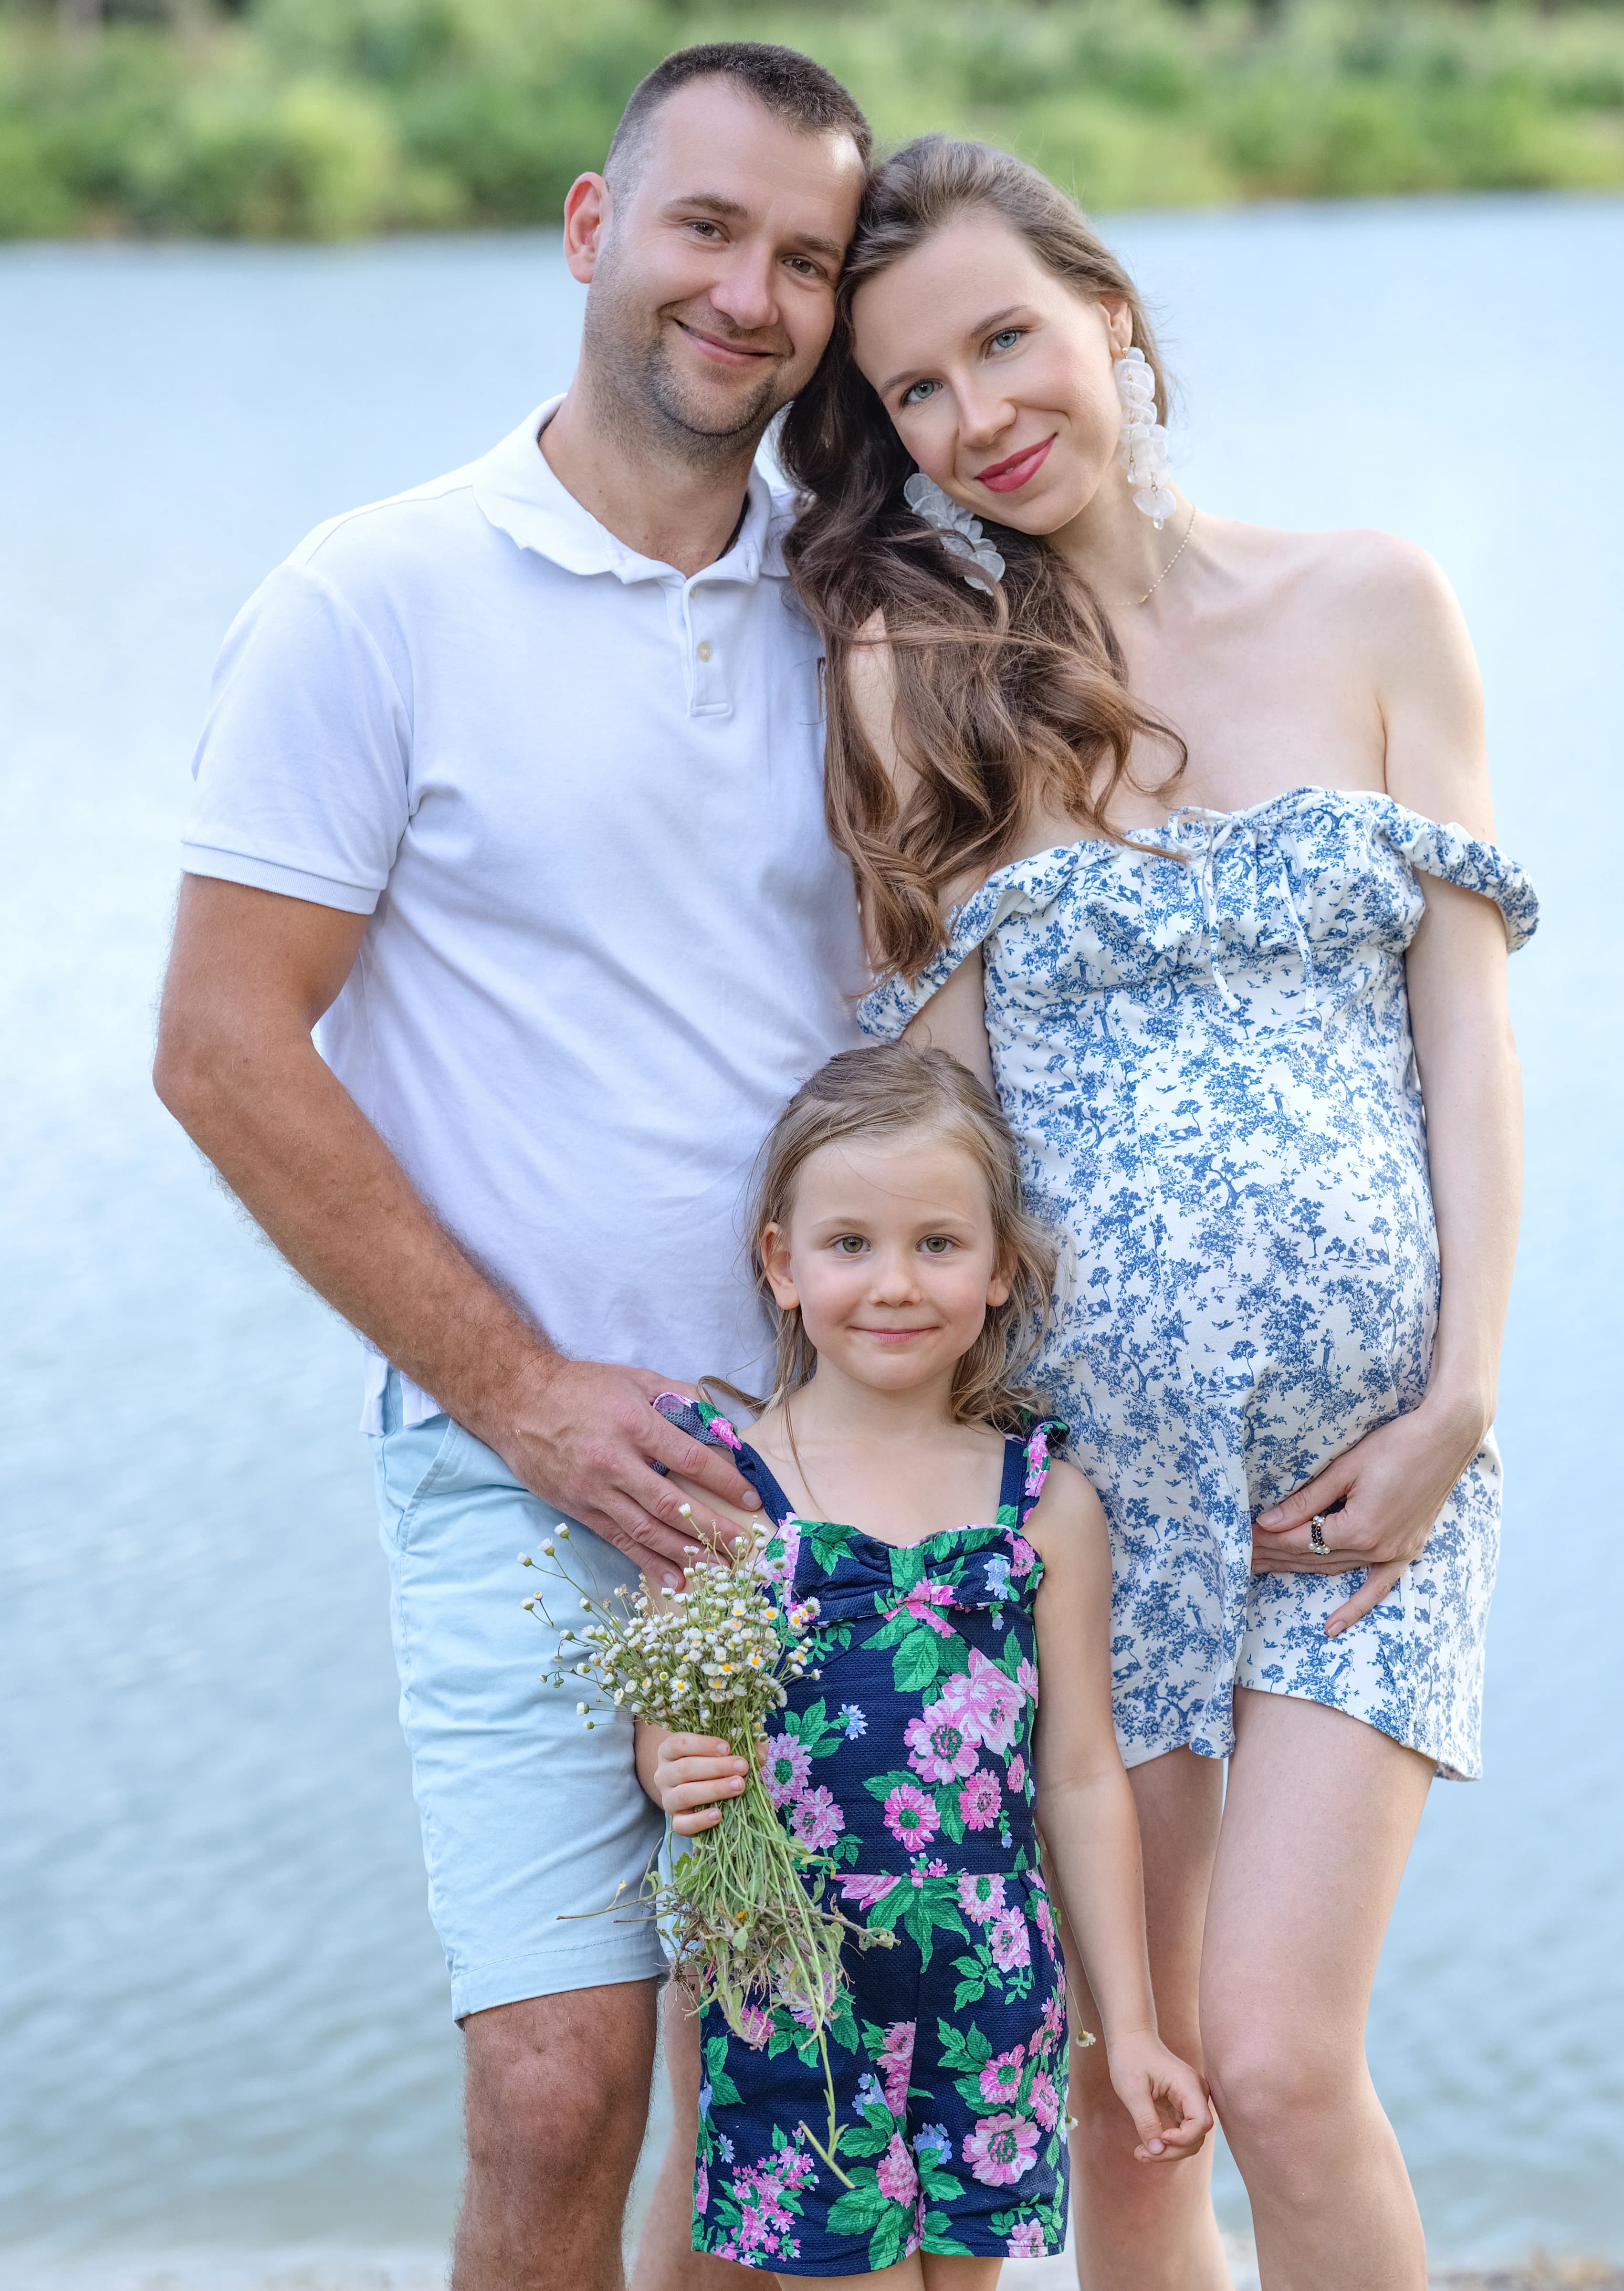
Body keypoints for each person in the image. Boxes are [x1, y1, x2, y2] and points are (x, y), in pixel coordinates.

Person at [777, 137, 1540, 2291]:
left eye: (1006, 339)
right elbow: (937, 1122)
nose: (979, 415)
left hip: (1369, 1484)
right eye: (915, 393)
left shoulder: (1375, 604)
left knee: (1280, 2063)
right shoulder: (925, 675)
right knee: (1142, 2101)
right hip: (1095, 1502)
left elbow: (1471, 1040)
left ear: (1108, 313)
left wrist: (1463, 1396)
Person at [152, 44, 875, 2291]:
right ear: (591, 226)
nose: (747, 294)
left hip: (832, 1458)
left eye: (806, 260)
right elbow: (219, 1044)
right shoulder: (373, 596)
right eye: (706, 226)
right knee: (555, 2088)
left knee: (787, 2101)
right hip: (522, 1457)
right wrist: (526, 1395)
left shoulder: (866, 607)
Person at [639, 1042, 1210, 2285]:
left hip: (991, 1983)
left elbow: (1079, 1775)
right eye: (849, 1244)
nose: (894, 1283)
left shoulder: (1044, 1504)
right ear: (782, 1263)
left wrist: (1130, 2028)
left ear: (1000, 1267)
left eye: (938, 1243)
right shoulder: (721, 1489)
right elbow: (673, 1713)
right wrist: (668, 1763)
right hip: (794, 1977)